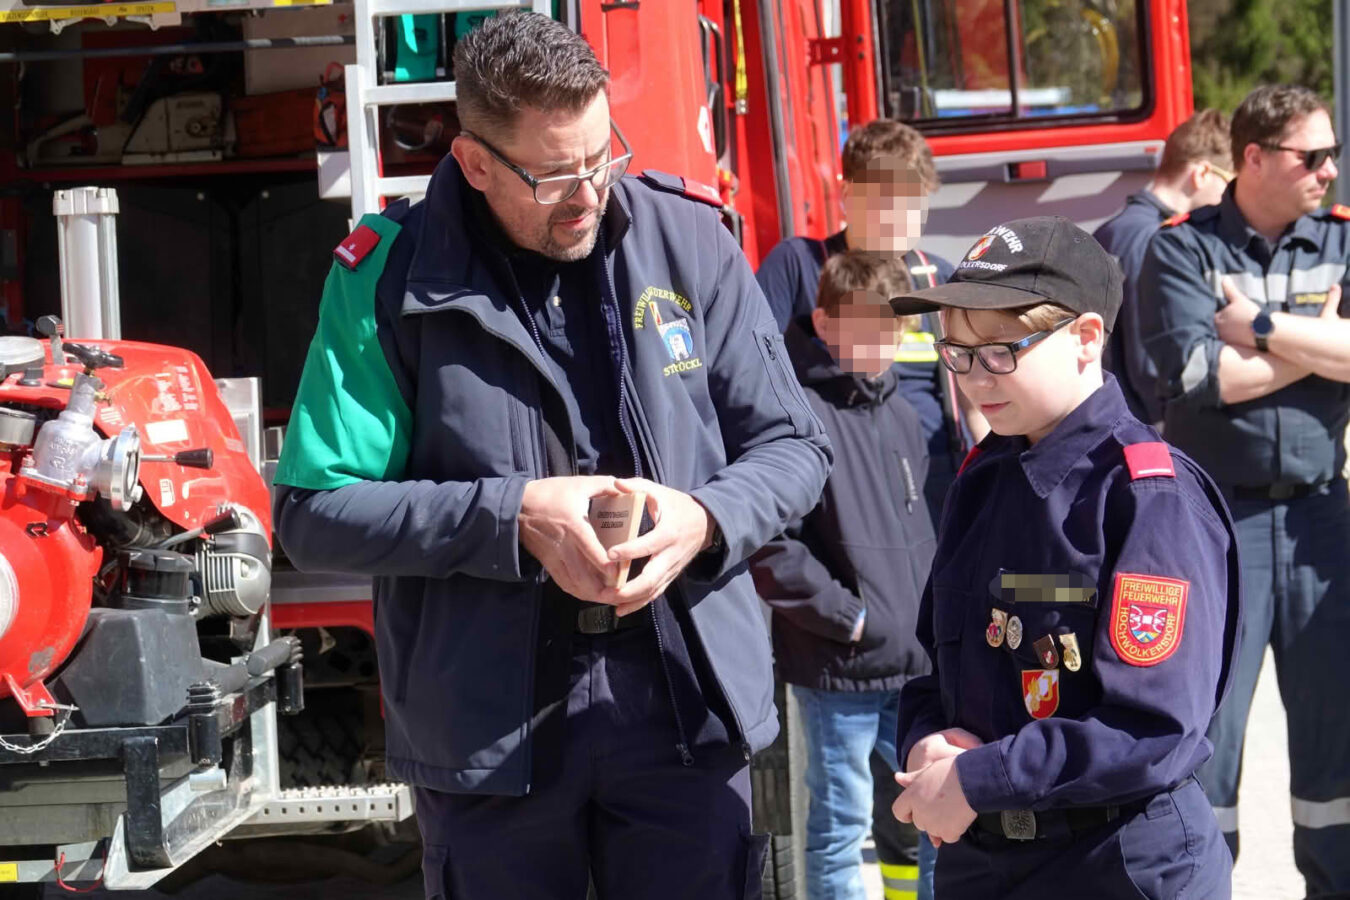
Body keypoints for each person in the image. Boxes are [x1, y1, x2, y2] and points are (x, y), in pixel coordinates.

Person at [270, 12, 832, 899]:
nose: (588, 191)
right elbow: (316, 513)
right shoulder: (385, 277)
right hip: (490, 742)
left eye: (602, 156)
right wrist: (512, 516)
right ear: (476, 161)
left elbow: (795, 446)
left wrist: (706, 518)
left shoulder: (690, 243)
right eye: (555, 173)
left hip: (686, 713)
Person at [890, 216, 1240, 899]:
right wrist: (925, 744)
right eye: (956, 352)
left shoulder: (1146, 496)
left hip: (1116, 861)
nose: (972, 378)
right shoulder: (984, 476)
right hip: (985, 858)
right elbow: (939, 661)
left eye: (999, 351)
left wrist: (978, 778)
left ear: (1084, 339)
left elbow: (1152, 725)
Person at [1138, 83, 1350, 895]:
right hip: (1215, 523)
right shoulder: (1182, 248)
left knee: (1336, 743)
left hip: (1321, 520)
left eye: (1332, 154)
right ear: (1254, 157)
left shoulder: (1338, 240)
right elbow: (1196, 379)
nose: (1329, 171)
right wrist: (1318, 341)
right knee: (1206, 735)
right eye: (1313, 156)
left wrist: (1259, 328)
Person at [750, 252, 936, 900]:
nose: (886, 344)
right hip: (841, 669)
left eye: (895, 330)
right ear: (825, 323)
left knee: (938, 822)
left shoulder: (904, 414)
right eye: (871, 328)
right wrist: (847, 618)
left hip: (913, 664)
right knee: (838, 830)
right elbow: (770, 542)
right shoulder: (795, 413)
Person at [1094, 108, 1233, 424]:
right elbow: (1153, 363)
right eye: (1230, 183)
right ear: (1201, 173)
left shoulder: (1111, 230)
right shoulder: (1161, 242)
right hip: (1149, 427)